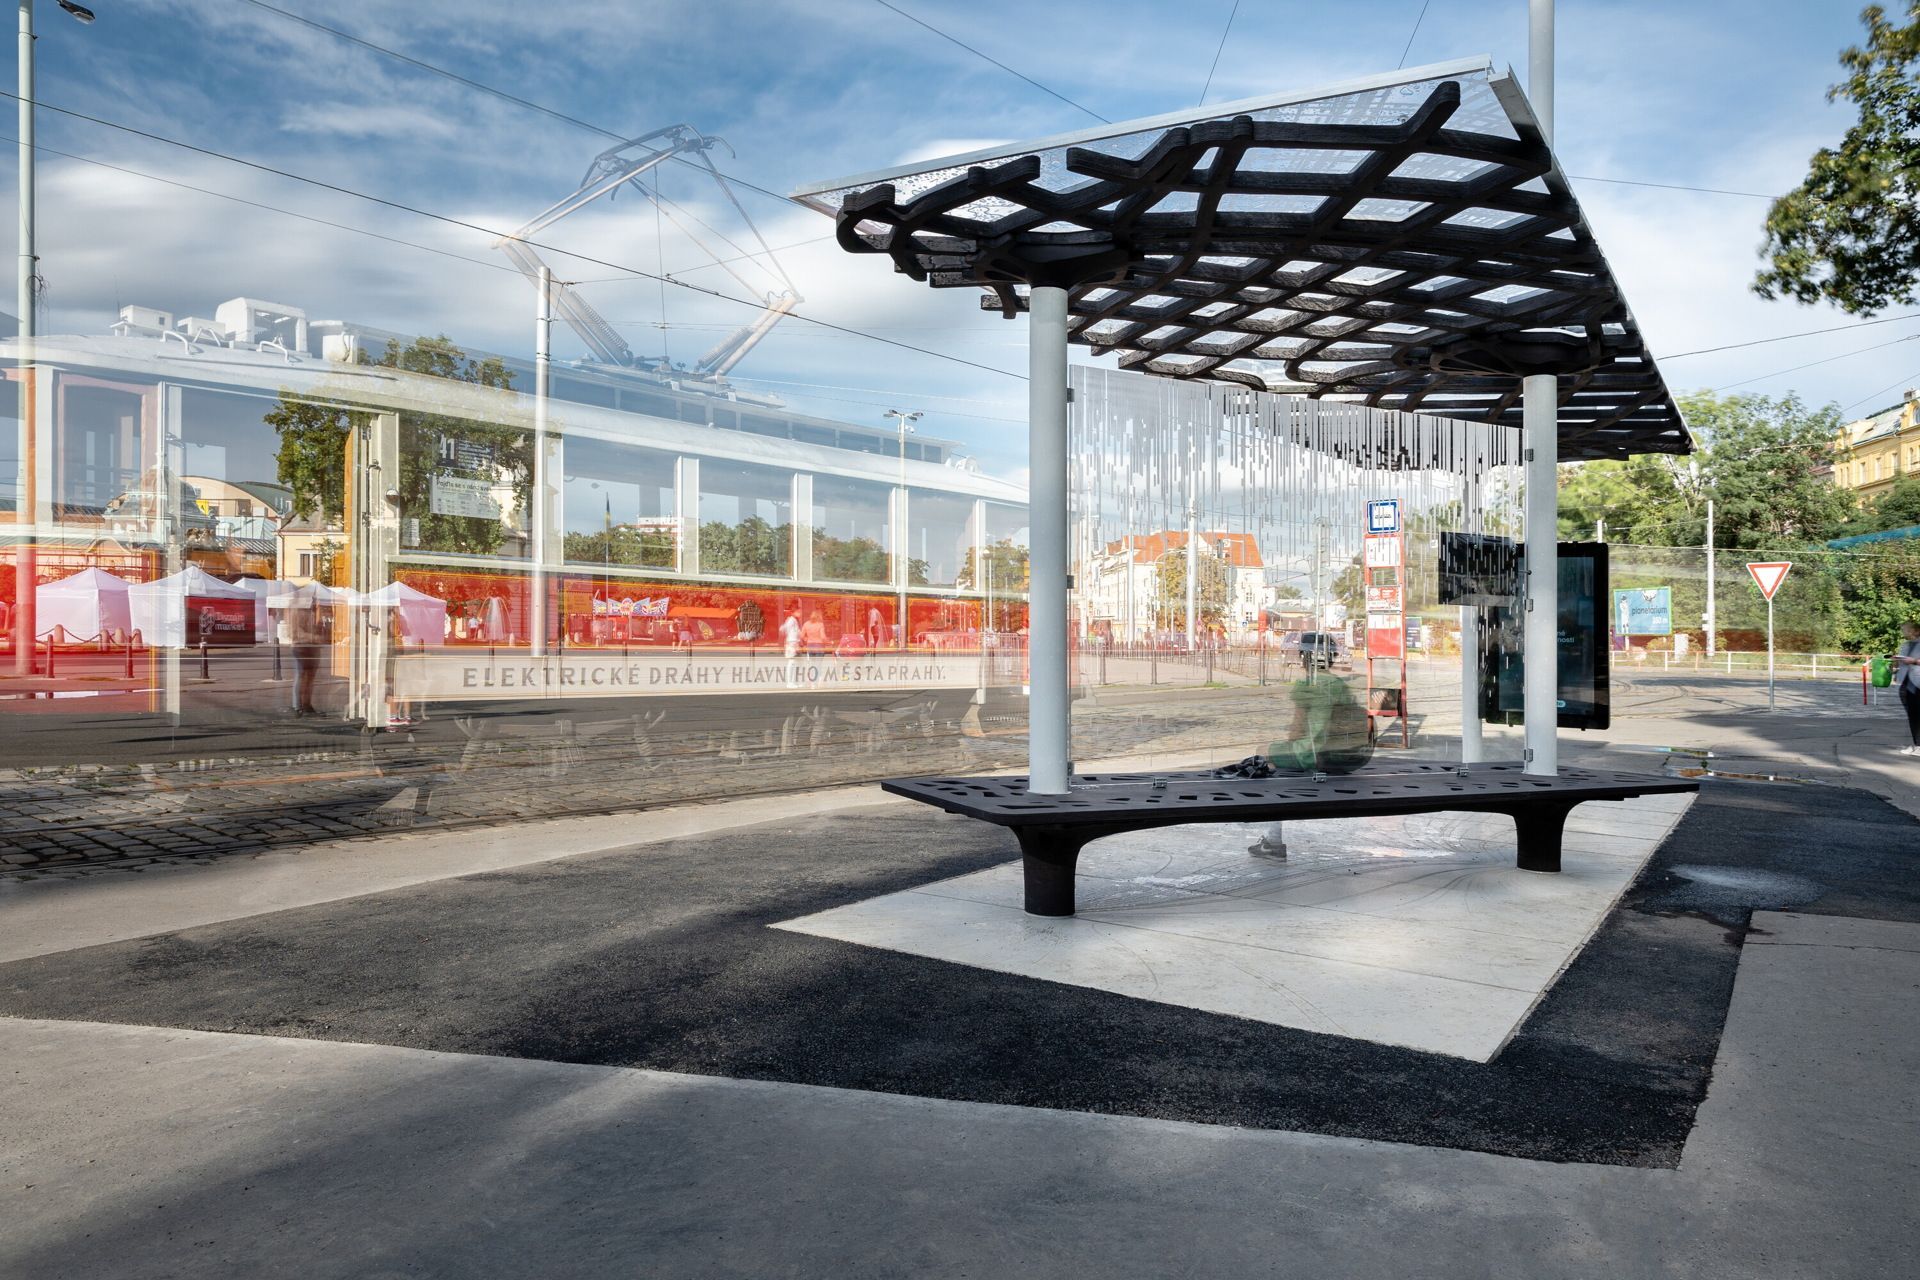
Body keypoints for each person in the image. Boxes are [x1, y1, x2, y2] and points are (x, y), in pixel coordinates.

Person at [285, 582, 328, 717]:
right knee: (301, 676)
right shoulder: (295, 611)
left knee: (309, 677)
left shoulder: (310, 611)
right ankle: (297, 706)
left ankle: (307, 704)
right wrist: (315, 637)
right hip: (301, 647)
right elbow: (295, 633)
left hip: (311, 647)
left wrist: (320, 629)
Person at [1894, 620, 1920, 756]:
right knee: (1912, 715)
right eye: (1904, 630)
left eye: (1907, 629)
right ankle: (1916, 744)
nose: (1905, 632)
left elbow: (1914, 661)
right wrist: (1895, 661)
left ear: (1916, 630)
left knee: (1917, 715)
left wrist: (1914, 661)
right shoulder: (1906, 644)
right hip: (1906, 683)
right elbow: (1903, 661)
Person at [781, 609, 802, 689]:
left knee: (795, 663)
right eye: (798, 612)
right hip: (792, 643)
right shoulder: (791, 620)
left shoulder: (793, 620)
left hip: (793, 643)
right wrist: (790, 641)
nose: (800, 613)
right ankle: (790, 682)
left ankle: (793, 681)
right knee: (792, 663)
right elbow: (783, 629)